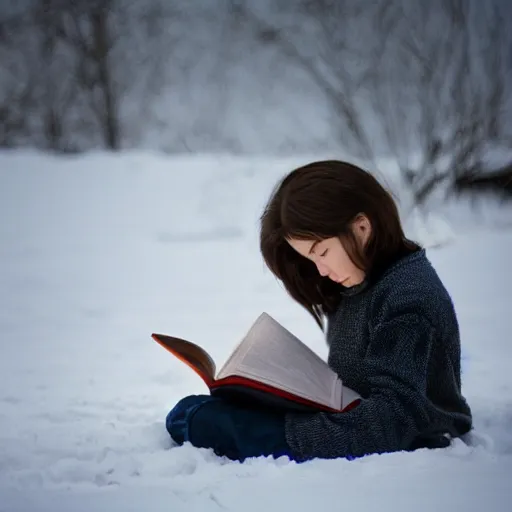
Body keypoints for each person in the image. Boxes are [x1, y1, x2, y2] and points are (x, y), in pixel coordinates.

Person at [165, 160, 473, 463]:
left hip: (392, 432)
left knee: (195, 419)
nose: (321, 270)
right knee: (192, 411)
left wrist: (288, 433)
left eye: (321, 253)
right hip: (349, 417)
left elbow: (392, 421)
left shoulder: (408, 297)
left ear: (362, 227)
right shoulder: (363, 283)